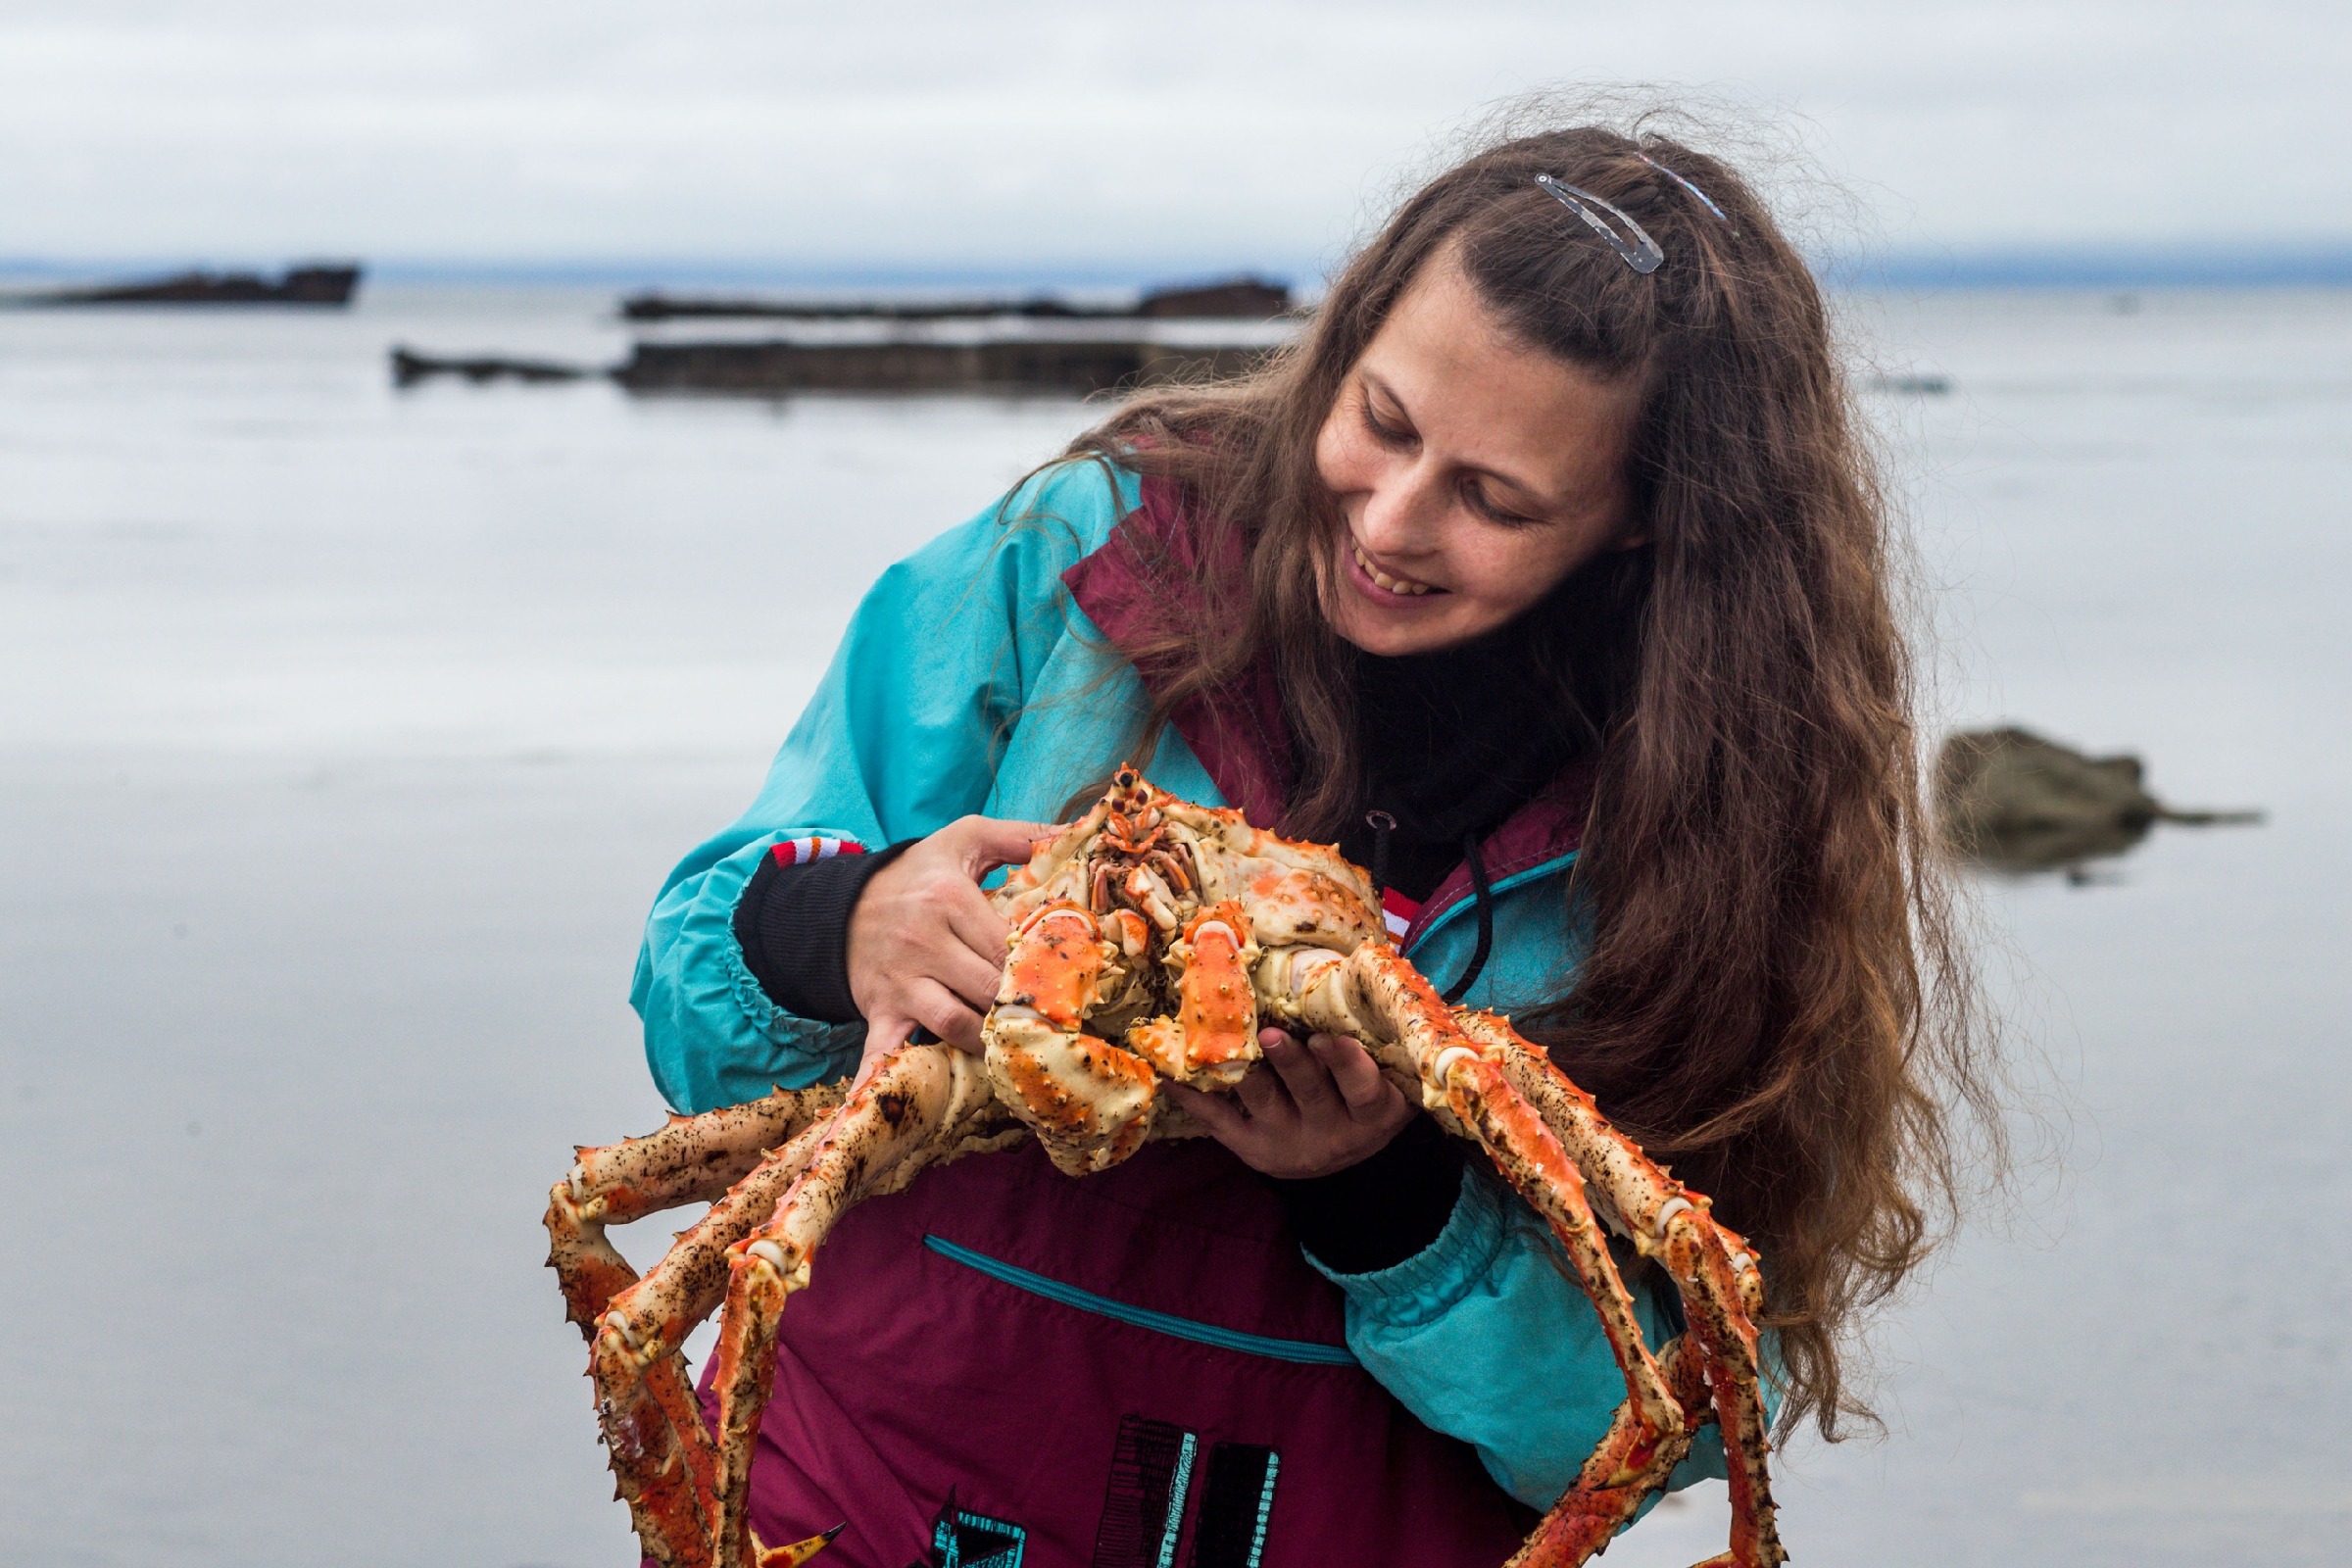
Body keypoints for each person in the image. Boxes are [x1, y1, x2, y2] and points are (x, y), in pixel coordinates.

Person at [634, 119, 1990, 1568]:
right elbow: (695, 995)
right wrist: (836, 932)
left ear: (1646, 522)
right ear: (1339, 343)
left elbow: (1687, 1404)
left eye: (1494, 499)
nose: (1391, 523)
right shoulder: (1088, 562)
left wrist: (1393, 1197)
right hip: (855, 1511)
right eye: (1384, 423)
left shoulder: (1712, 833)